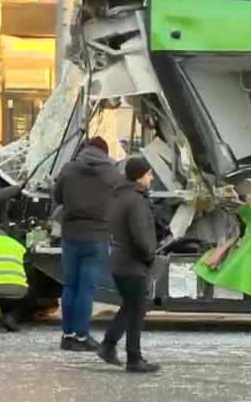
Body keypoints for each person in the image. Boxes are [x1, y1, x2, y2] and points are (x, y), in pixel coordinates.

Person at [52, 136, 120, 352]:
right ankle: (82, 335)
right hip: (98, 237)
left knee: (70, 285)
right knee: (87, 288)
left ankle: (67, 335)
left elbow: (57, 196)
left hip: (71, 234)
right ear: (105, 152)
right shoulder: (112, 173)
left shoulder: (69, 168)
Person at [97, 158, 160, 373]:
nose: (151, 177)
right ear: (139, 176)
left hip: (120, 261)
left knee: (130, 306)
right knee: (136, 311)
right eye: (148, 174)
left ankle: (108, 345)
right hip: (132, 262)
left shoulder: (120, 196)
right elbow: (140, 235)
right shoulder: (135, 200)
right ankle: (134, 357)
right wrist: (149, 256)